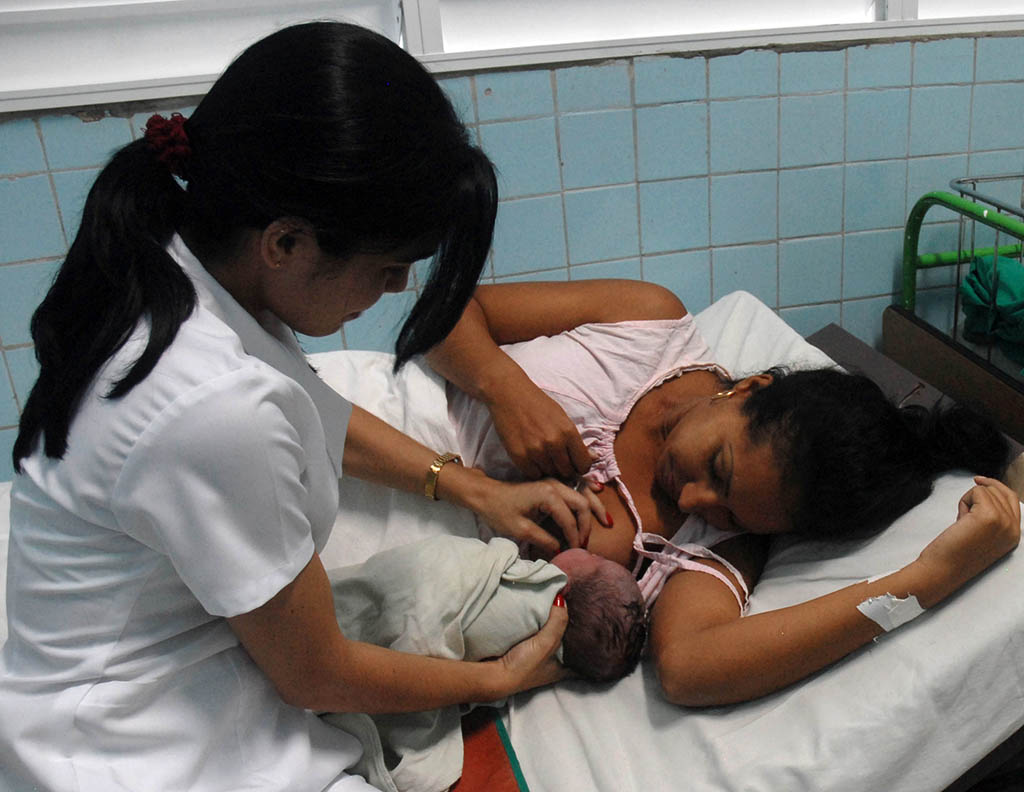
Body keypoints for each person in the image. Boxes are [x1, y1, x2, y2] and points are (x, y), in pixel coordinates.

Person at [0, 22, 602, 792]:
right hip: (128, 748)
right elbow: (317, 677)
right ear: (285, 243)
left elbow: (316, 414)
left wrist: (480, 490)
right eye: (387, 269)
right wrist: (496, 682)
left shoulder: (181, 268)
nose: (395, 293)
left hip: (166, 669)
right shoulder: (209, 403)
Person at [426, 278, 1022, 706]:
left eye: (730, 510)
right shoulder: (648, 321)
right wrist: (507, 390)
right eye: (717, 465)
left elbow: (688, 669)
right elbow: (444, 313)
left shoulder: (719, 540)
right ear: (746, 390)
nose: (693, 502)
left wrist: (923, 582)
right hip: (367, 421)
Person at [321, 536, 646, 792]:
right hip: (337, 665)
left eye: (597, 560)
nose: (592, 552)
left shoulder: (537, 589)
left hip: (340, 657)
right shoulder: (540, 662)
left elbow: (446, 576)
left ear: (567, 584)